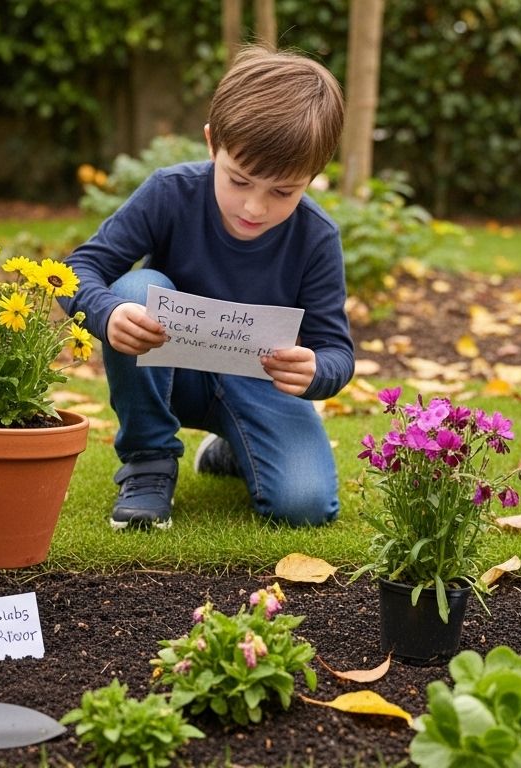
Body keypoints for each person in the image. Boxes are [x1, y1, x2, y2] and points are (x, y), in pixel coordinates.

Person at [62, 47, 351, 531]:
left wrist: (317, 370)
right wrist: (108, 314)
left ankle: (234, 449)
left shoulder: (317, 236)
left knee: (306, 506)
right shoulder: (169, 192)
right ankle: (148, 462)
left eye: (283, 191)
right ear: (212, 144)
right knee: (137, 290)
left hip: (259, 383)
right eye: (239, 180)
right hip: (167, 372)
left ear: (313, 177)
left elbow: (336, 350)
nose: (254, 207)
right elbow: (79, 269)